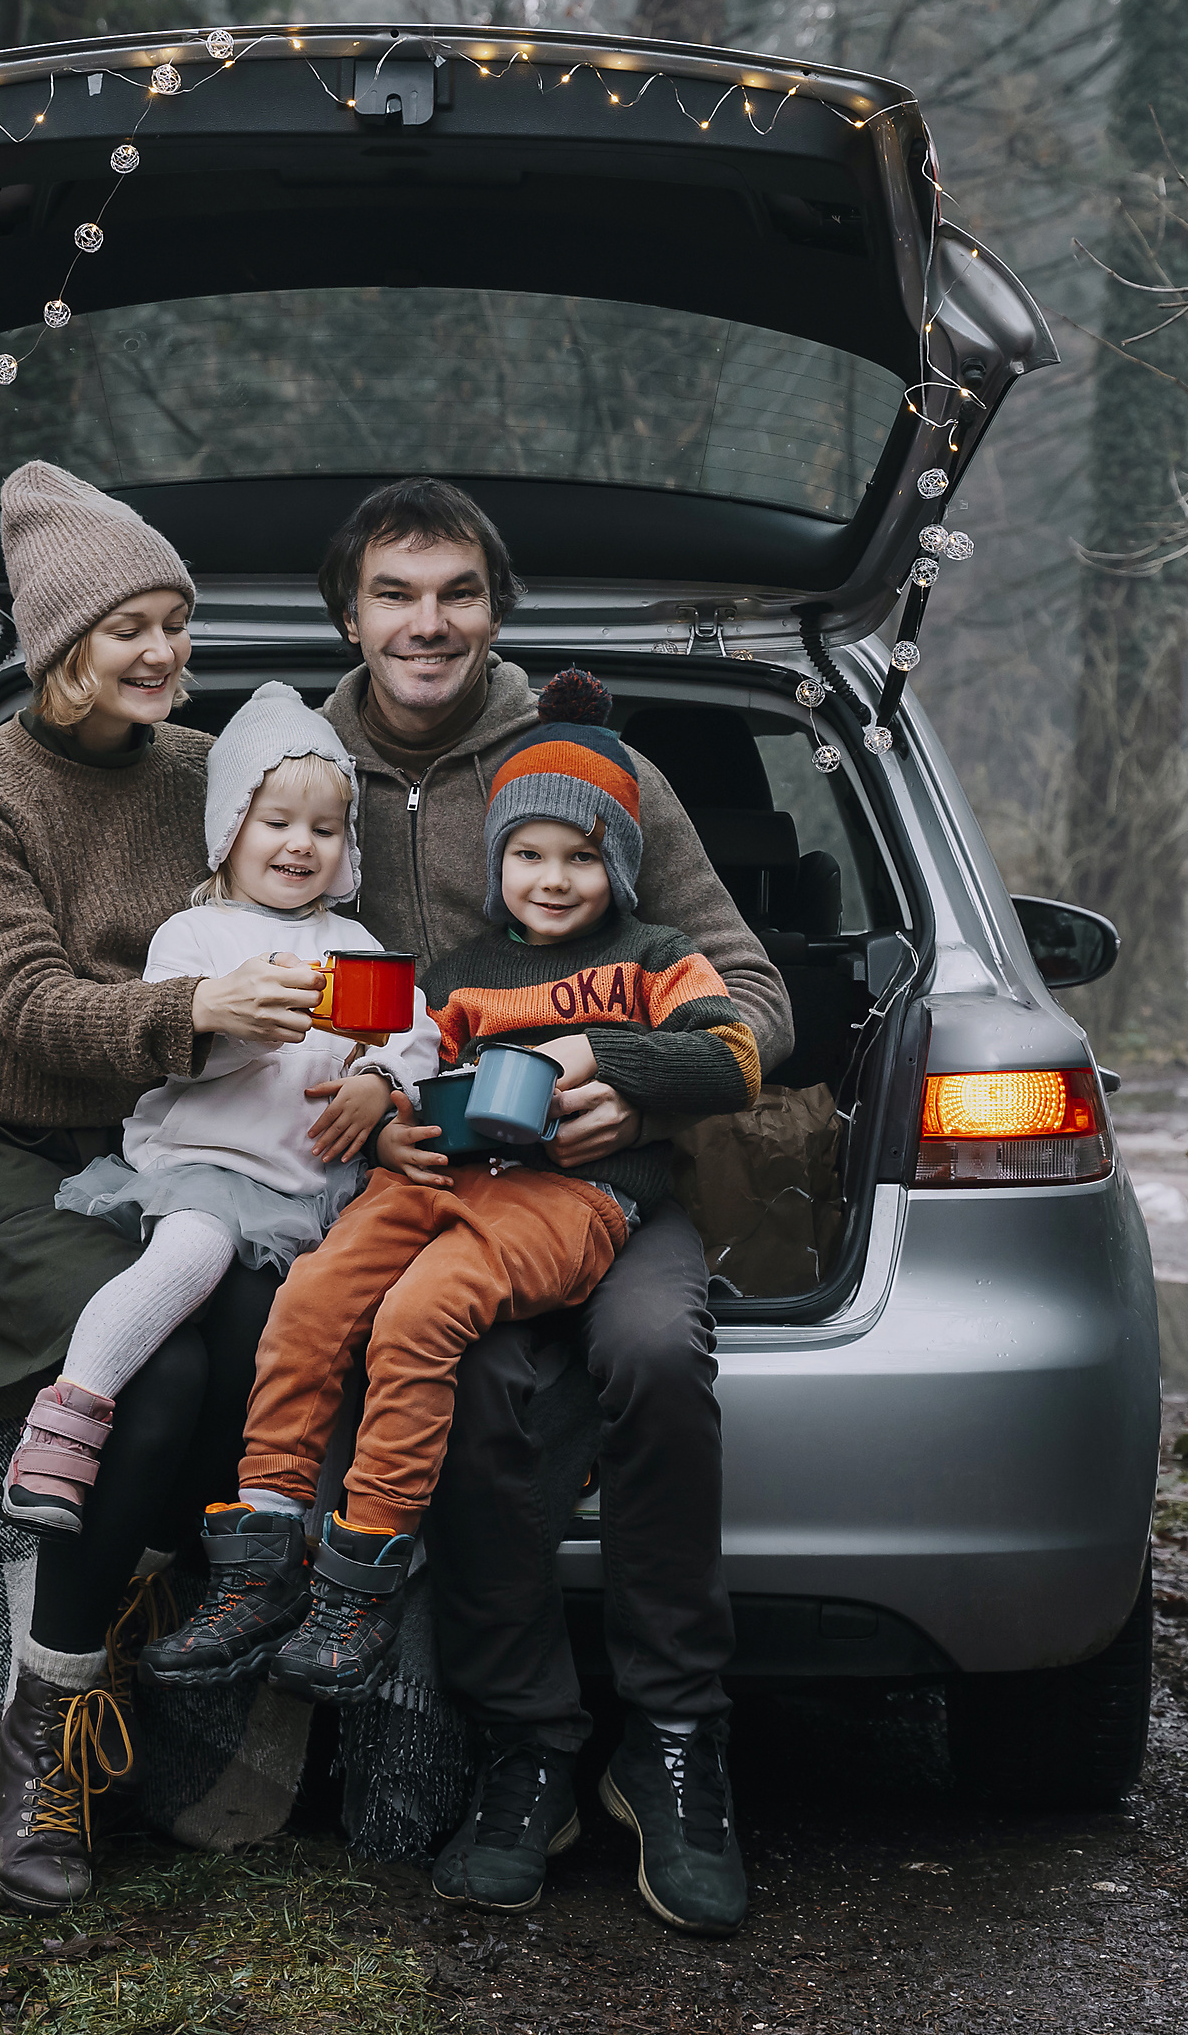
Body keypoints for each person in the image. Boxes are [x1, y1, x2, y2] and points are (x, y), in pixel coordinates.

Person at [317, 479, 787, 1937]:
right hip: (439, 1191)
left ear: (496, 610)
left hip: (622, 1192)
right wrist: (378, 1127)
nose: (427, 621)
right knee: (463, 1382)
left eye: (455, 591)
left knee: (655, 1355)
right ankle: (530, 1749)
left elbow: (751, 1002)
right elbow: (253, 991)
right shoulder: (289, 772)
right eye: (397, 593)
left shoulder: (586, 772)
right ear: (352, 615)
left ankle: (674, 1744)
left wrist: (635, 1092)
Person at [0, 462, 326, 1914]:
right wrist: (197, 1012)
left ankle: (201, 1703)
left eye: (176, 626)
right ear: (59, 643)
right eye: (130, 627)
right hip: (9, 1151)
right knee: (167, 1376)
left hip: (179, 1143)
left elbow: (330, 873)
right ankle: (40, 1737)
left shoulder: (209, 774)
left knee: (267, 1345)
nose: (162, 655)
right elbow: (27, 1007)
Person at [141, 674, 761, 1715]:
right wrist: (388, 1108)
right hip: (440, 1170)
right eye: (528, 855)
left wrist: (601, 1058)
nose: (553, 880)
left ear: (623, 863)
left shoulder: (658, 958)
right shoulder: (462, 972)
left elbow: (736, 1057)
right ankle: (260, 1547)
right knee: (314, 1298)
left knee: (419, 1315)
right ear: (495, 862)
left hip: (572, 1196)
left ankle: (360, 1577)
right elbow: (407, 1056)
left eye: (583, 857)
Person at [2, 682, 440, 1534]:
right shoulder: (194, 937)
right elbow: (174, 1044)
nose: (300, 846)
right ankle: (64, 1425)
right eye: (275, 822)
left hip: (309, 1190)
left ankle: (276, 1531)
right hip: (206, 1167)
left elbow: (413, 1031)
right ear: (229, 828)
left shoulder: (355, 947)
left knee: (314, 1333)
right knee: (188, 1264)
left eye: (324, 828)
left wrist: (381, 1081)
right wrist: (247, 1026)